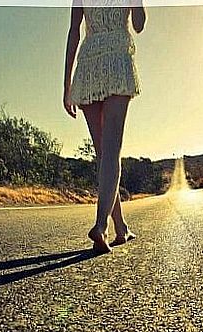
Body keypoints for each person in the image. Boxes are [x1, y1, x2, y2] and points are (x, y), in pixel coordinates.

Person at [63, 0, 146, 253]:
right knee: (111, 153)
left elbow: (73, 31)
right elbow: (139, 26)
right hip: (117, 63)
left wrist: (66, 85)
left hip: (88, 65)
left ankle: (120, 227)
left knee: (104, 155)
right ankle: (100, 226)